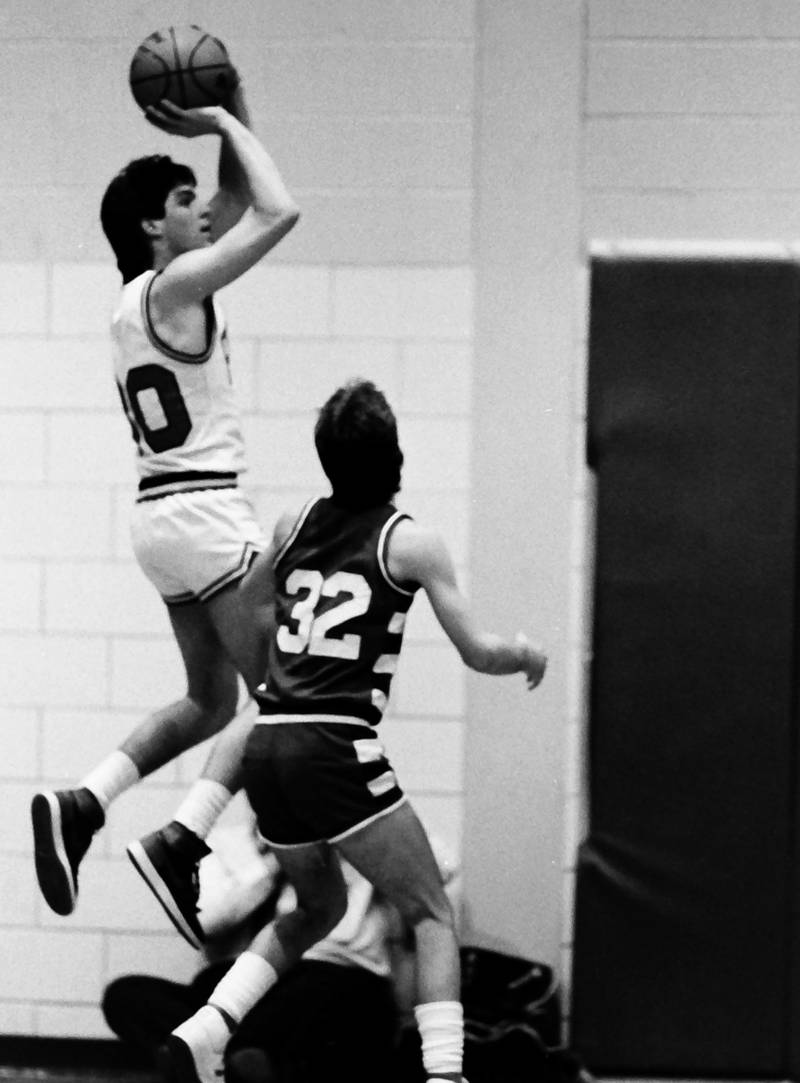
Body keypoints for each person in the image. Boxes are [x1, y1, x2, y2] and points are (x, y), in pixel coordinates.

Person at [160, 379, 548, 1083]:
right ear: (394, 455)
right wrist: (523, 653)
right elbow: (477, 651)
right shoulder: (411, 541)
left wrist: (290, 653)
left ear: (327, 460)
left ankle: (207, 1028)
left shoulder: (293, 522)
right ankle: (446, 1076)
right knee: (431, 912)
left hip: (269, 741)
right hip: (334, 743)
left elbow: (249, 598)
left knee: (317, 907)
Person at [30, 60, 299, 950]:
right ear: (154, 225)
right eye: (187, 203)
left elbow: (237, 195)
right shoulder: (174, 290)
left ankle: (85, 801)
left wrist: (232, 109)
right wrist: (221, 119)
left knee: (210, 701)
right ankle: (184, 839)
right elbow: (277, 210)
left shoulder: (139, 301)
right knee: (287, 697)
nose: (204, 211)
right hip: (207, 514)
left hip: (160, 518)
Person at [102, 799, 459, 1083]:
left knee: (337, 1002)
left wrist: (362, 829)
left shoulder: (362, 845)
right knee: (126, 995)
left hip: (339, 975)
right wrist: (279, 861)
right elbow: (207, 920)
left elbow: (443, 865)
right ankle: (240, 1060)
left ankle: (216, 1058)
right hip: (240, 978)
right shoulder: (227, 844)